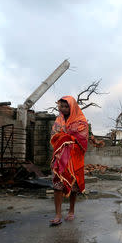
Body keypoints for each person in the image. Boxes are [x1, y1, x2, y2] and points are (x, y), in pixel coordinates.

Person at [49, 96, 89, 226]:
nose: (64, 109)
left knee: (74, 185)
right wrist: (66, 137)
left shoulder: (80, 121)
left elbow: (82, 138)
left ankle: (71, 211)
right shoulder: (58, 120)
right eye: (62, 107)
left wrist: (66, 136)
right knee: (57, 185)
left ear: (72, 107)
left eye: (67, 107)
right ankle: (58, 214)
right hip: (60, 157)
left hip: (74, 157)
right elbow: (54, 135)